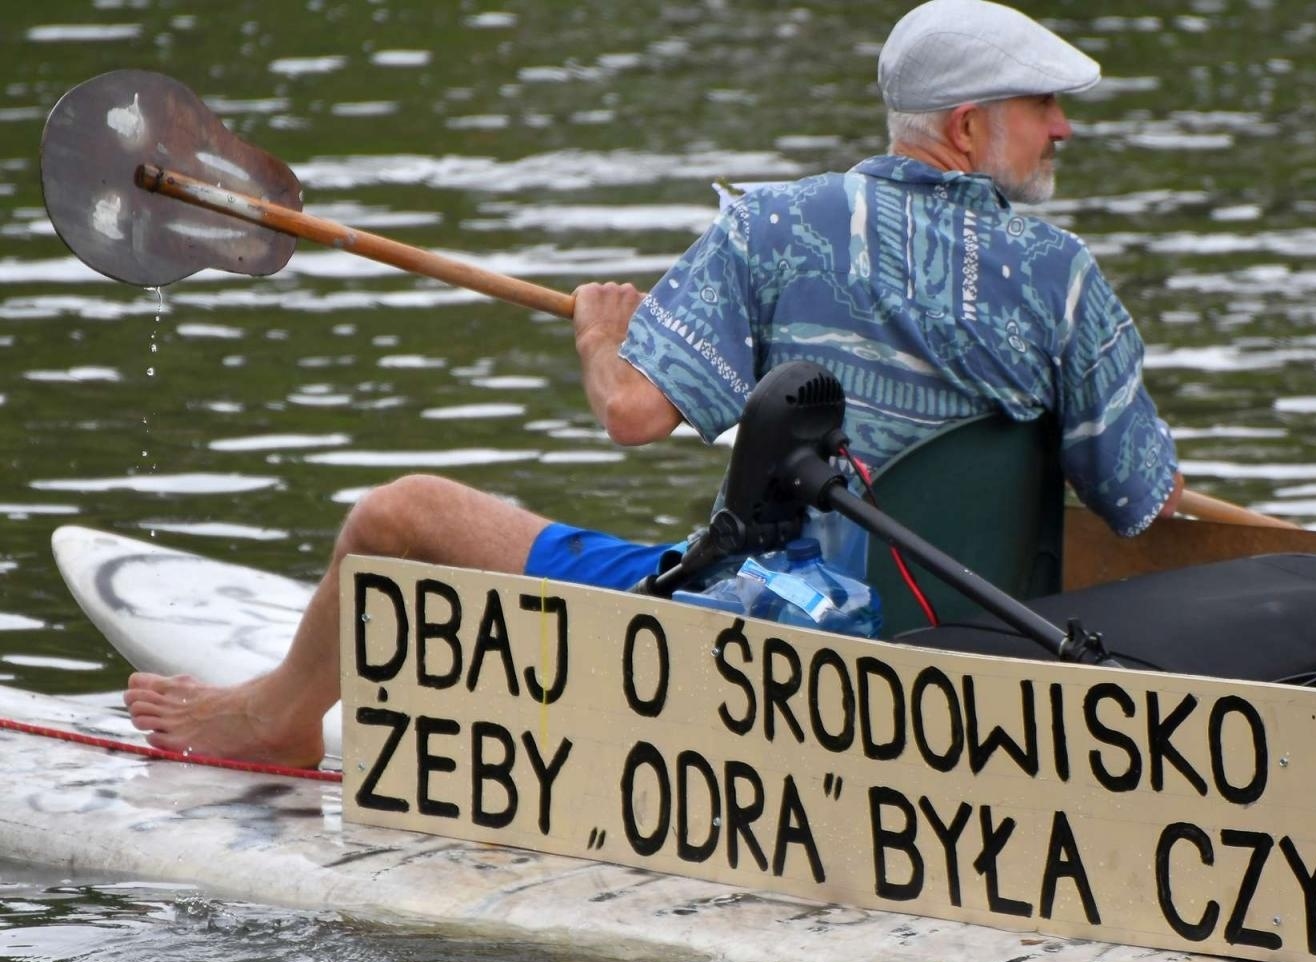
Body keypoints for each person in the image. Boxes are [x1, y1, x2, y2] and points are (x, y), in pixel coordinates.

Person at [123, 0, 1183, 768]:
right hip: (974, 647)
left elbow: (633, 412)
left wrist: (602, 334)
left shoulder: (770, 227)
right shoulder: (1067, 282)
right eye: (1043, 104)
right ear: (964, 126)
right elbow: (1137, 500)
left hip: (780, 652)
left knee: (398, 515)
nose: (1062, 127)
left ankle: (281, 717)